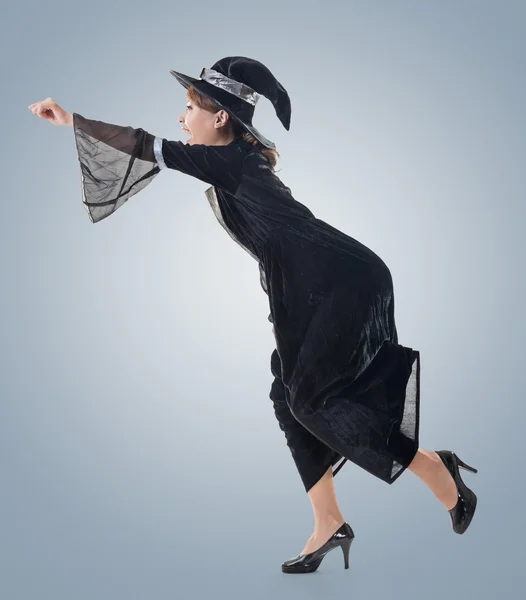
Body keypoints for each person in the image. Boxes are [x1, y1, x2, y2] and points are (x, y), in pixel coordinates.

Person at [28, 56, 478, 574]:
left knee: (310, 400)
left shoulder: (231, 161)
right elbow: (281, 252)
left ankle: (435, 470)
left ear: (220, 117)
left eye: (189, 107)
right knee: (286, 392)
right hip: (316, 289)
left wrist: (73, 121)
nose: (182, 118)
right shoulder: (233, 162)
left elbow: (141, 142)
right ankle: (328, 521)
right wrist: (285, 312)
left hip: (345, 284)